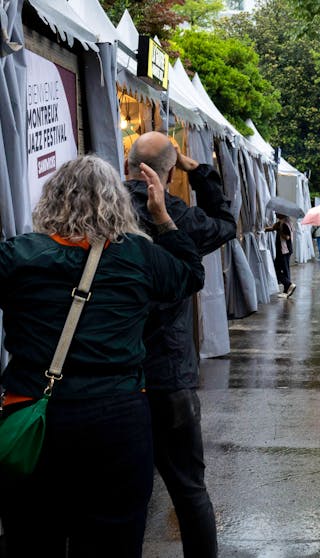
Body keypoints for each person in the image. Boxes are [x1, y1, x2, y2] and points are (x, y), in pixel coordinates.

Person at [0, 155, 204, 557]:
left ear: (51, 200)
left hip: (32, 416)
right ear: (119, 203)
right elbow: (190, 274)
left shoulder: (17, 256)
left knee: (30, 540)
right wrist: (162, 218)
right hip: (117, 419)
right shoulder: (138, 257)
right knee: (113, 541)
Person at [125, 131, 236, 558]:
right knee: (189, 490)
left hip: (115, 373)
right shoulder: (177, 216)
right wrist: (202, 172)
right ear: (170, 172)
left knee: (122, 495)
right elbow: (226, 224)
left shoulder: (104, 212)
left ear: (128, 164)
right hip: (168, 372)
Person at [267, 213, 296, 298]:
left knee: (276, 270)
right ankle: (287, 290)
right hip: (284, 251)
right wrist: (263, 229)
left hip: (284, 250)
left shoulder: (285, 224)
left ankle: (289, 284)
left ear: (282, 213)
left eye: (277, 212)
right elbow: (272, 228)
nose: (275, 213)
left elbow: (287, 237)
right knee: (285, 270)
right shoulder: (282, 222)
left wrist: (279, 230)